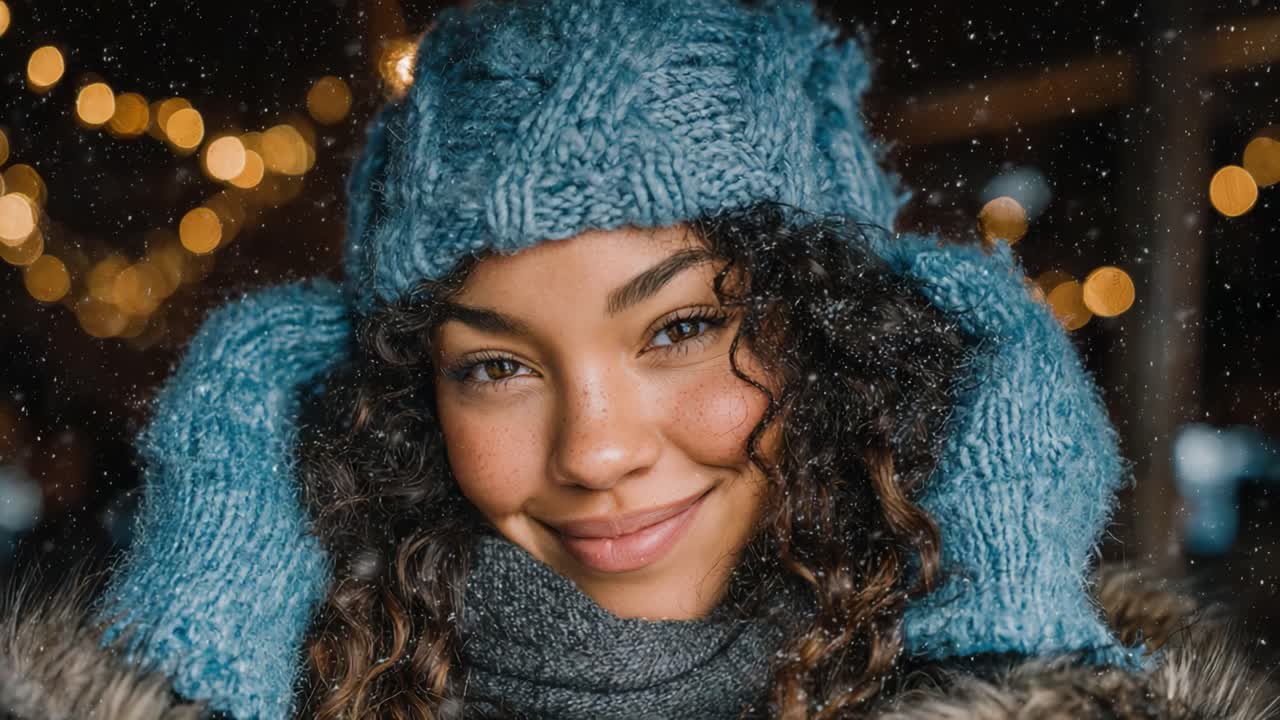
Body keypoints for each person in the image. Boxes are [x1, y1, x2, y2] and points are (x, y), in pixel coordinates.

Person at [0, 0, 1275, 718]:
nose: (597, 451)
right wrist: (164, 682)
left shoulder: (1115, 682)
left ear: (839, 340)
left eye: (678, 328)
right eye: (495, 365)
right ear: (398, 402)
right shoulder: (305, 682)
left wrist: (1012, 681)